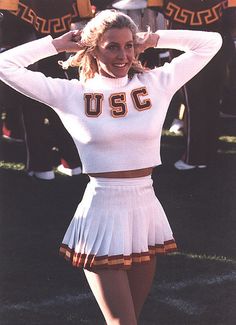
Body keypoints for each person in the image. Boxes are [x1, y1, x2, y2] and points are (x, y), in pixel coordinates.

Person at [0, 9, 222, 324]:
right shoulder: (71, 94)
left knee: (133, 318)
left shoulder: (156, 82)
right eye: (112, 46)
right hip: (102, 212)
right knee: (122, 322)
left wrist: (155, 38)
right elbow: (4, 64)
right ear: (93, 48)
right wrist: (57, 44)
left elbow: (211, 42)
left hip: (145, 208)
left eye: (129, 45)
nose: (123, 54)